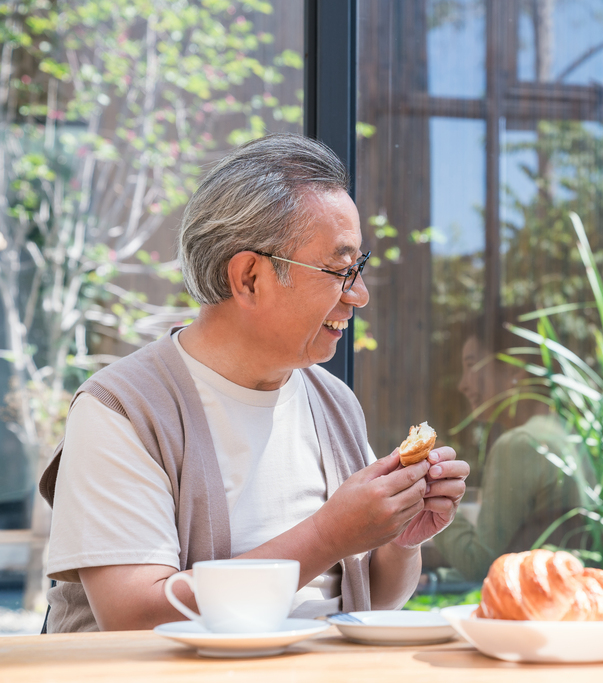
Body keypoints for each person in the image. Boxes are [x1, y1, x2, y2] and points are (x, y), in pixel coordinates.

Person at [39, 134, 469, 632]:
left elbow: (371, 599)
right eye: (339, 269)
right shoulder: (121, 409)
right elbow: (135, 615)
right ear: (248, 277)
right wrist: (329, 535)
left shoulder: (333, 402)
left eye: (360, 267)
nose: (361, 295)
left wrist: (400, 537)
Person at [430, 315, 592, 582]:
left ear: (516, 372)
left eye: (471, 365)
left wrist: (434, 499)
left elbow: (480, 564)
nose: (463, 384)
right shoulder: (570, 433)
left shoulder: (519, 444)